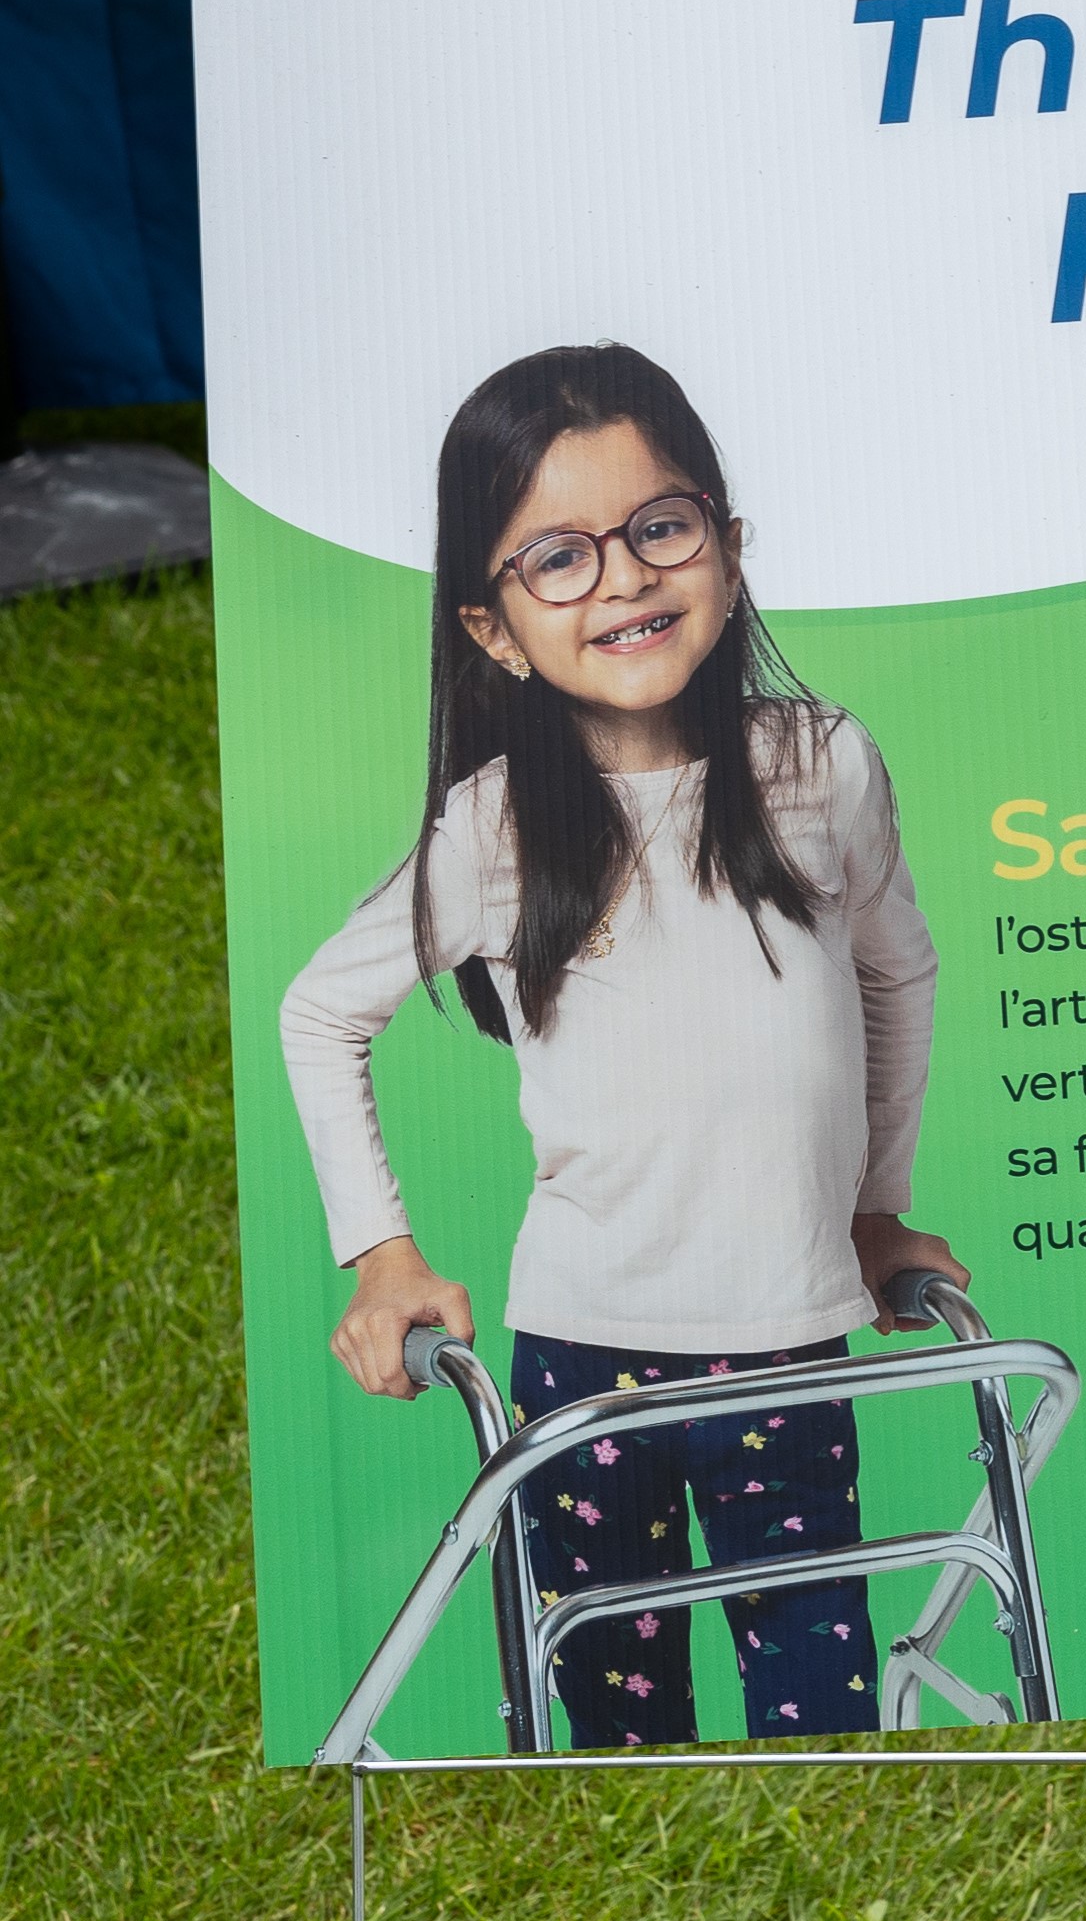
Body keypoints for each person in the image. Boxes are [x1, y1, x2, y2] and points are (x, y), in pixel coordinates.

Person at [279, 342, 960, 1748]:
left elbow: (896, 972)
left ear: (725, 537)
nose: (627, 579)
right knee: (611, 1724)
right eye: (561, 558)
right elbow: (319, 1009)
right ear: (491, 625)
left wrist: (874, 1208)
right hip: (589, 1355)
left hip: (792, 1349)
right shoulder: (493, 829)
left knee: (817, 1707)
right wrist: (383, 1251)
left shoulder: (819, 763)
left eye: (660, 528)